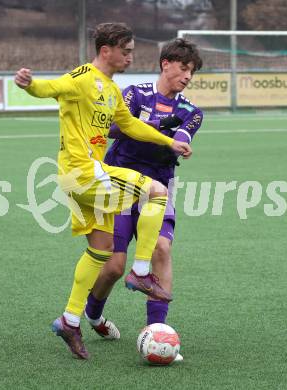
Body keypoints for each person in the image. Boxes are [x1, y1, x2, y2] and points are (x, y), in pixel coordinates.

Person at [14, 23, 193, 359]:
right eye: (125, 51)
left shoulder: (111, 89)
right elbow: (51, 87)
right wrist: (29, 84)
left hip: (79, 179)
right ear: (106, 49)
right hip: (83, 173)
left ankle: (70, 320)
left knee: (101, 250)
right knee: (156, 192)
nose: (130, 57)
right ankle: (141, 273)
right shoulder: (83, 77)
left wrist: (171, 142)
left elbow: (130, 125)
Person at [84, 38, 203, 362]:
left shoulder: (190, 111)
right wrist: (154, 126)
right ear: (166, 64)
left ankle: (156, 332)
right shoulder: (135, 95)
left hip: (159, 187)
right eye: (183, 68)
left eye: (191, 71)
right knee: (113, 266)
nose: (187, 76)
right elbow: (110, 128)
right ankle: (93, 315)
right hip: (120, 185)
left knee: (162, 249)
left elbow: (183, 134)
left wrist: (177, 140)